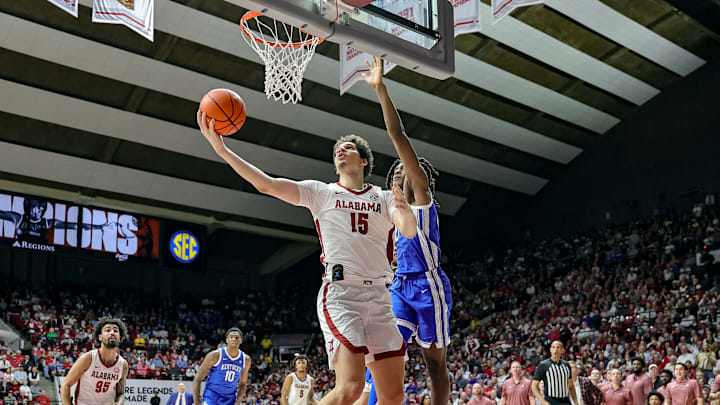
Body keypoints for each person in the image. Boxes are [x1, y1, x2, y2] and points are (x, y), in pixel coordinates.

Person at [197, 93, 417, 405]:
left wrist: (405, 211)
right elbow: (267, 185)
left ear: (364, 161)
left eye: (349, 147)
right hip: (343, 295)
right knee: (351, 388)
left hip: (381, 298)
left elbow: (408, 231)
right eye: (338, 149)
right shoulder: (321, 193)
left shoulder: (383, 197)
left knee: (393, 396)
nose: (341, 150)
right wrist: (222, 150)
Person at [362, 55, 452, 405]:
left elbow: (398, 135)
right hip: (400, 286)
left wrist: (380, 89)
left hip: (429, 286)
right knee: (384, 351)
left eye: (408, 167)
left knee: (435, 366)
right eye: (397, 169)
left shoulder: (423, 203)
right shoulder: (392, 214)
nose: (401, 169)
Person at [60, 318, 129, 405]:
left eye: (115, 331)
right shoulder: (88, 358)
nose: (112, 333)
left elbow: (121, 394)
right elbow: (65, 385)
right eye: (107, 330)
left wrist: (119, 403)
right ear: (100, 337)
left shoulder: (123, 364)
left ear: (119, 338)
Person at [193, 328, 250, 405]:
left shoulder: (246, 359)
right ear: (227, 340)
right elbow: (198, 378)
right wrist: (196, 401)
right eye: (231, 337)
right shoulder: (215, 355)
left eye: (237, 337)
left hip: (230, 398)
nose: (234, 339)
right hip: (212, 396)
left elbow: (243, 383)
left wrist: (238, 402)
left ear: (241, 340)